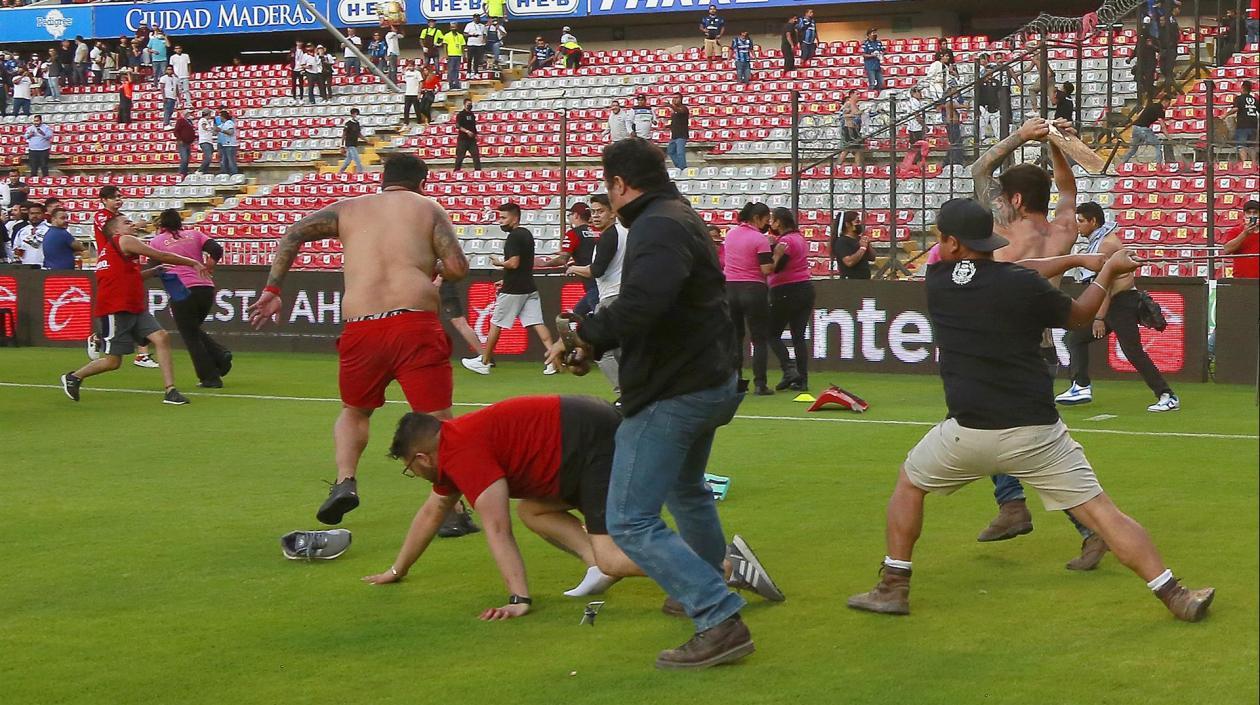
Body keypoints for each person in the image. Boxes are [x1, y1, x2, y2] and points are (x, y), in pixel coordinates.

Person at [846, 198, 1216, 624]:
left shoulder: (937, 278)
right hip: (1036, 434)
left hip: (966, 433)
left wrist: (1078, 258)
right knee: (1102, 513)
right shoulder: (1019, 284)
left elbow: (1010, 274)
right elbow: (1077, 316)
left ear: (949, 242)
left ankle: (893, 587)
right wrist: (1107, 271)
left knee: (909, 485)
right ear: (989, 239)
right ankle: (1176, 596)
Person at [545, 138, 754, 670]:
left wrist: (585, 336)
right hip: (706, 379)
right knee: (687, 490)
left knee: (630, 520)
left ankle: (716, 613)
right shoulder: (675, 215)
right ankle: (700, 588)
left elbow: (643, 304)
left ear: (619, 185)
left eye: (605, 187)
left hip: (675, 388)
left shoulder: (657, 224)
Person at [247, 154, 469, 525]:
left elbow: (293, 233)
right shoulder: (429, 208)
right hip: (414, 323)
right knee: (436, 419)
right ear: (422, 182)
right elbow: (458, 268)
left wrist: (273, 288)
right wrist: (431, 265)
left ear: (384, 178)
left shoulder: (348, 208)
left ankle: (345, 481)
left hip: (362, 326)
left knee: (354, 411)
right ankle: (453, 510)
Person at [970, 116, 1101, 558]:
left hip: (997, 344)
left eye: (1006, 195)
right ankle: (1013, 505)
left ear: (1015, 199)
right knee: (993, 429)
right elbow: (1069, 191)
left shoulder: (1002, 225)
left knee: (1027, 444)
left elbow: (979, 170)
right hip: (1041, 347)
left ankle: (1071, 523)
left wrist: (1022, 136)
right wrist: (1057, 144)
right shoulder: (1063, 229)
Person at [60, 215, 206, 406]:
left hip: (133, 306)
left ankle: (170, 390)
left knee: (161, 337)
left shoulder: (111, 250)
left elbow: (129, 277)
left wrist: (153, 272)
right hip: (115, 309)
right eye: (126, 222)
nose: (132, 224)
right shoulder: (125, 240)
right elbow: (159, 255)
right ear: (115, 231)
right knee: (113, 362)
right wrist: (192, 262)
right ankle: (74, 377)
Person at [1057, 201, 1179, 419]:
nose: (1079, 226)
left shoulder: (1106, 245)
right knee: (1075, 339)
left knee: (1133, 352)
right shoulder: (1101, 241)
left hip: (1121, 303)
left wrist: (1099, 317)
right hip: (1115, 302)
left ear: (1093, 221)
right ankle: (1081, 386)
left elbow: (1107, 285)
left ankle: (1167, 395)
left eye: (1081, 221)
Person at [461, 202, 556, 375]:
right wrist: (505, 279)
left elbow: (514, 263)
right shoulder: (527, 234)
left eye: (504, 218)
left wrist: (499, 263)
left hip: (514, 290)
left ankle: (485, 361)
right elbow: (523, 264)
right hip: (529, 286)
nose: (500, 221)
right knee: (537, 323)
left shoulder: (514, 237)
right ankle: (554, 360)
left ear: (515, 217)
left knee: (495, 323)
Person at [149, 209, 232, 388]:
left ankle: (210, 376)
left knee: (190, 336)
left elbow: (153, 267)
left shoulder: (156, 241)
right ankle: (220, 355)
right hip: (205, 287)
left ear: (161, 224)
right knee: (192, 329)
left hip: (180, 288)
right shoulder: (194, 234)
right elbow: (216, 248)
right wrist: (211, 262)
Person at [564, 193, 626, 392]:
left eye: (601, 211)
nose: (596, 216)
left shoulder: (609, 236)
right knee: (621, 349)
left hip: (611, 297)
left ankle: (624, 392)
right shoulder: (625, 232)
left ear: (613, 212)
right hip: (625, 295)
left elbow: (596, 270)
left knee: (603, 351)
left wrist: (574, 268)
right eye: (593, 212)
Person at [724, 201, 774, 395]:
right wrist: (775, 252)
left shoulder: (730, 234)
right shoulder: (759, 239)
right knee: (759, 338)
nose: (767, 224)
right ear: (757, 219)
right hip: (753, 288)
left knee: (735, 338)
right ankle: (760, 383)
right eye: (766, 220)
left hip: (730, 288)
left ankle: (735, 381)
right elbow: (766, 269)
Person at [766, 207, 814, 392]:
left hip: (786, 290)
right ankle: (802, 379)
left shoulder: (785, 241)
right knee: (798, 337)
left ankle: (789, 370)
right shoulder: (800, 238)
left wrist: (771, 247)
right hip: (805, 288)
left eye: (773, 220)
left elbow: (776, 267)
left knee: (772, 333)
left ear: (779, 222)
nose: (771, 224)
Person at [540, 203, 598, 314]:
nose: (569, 218)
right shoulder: (599, 230)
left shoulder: (572, 234)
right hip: (606, 280)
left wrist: (544, 264)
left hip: (592, 282)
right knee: (577, 314)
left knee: (600, 318)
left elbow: (562, 260)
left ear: (576, 215)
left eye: (569, 215)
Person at [1121, 94, 1171, 164]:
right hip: (1143, 129)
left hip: (1135, 128)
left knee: (1133, 149)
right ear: (1165, 101)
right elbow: (1163, 126)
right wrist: (1169, 138)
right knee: (1158, 144)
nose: (1168, 106)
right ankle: (1158, 165)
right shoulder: (1160, 110)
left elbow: (1139, 115)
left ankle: (1122, 163)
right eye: (1168, 103)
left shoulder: (1150, 105)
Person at [1220, 199, 1260, 279]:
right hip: (1241, 279)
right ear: (1244, 215)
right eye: (1249, 213)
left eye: (1255, 212)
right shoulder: (1235, 231)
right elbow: (1227, 250)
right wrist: (1244, 234)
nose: (1252, 216)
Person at [1222, 80, 1257, 163]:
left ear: (1242, 88)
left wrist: (1224, 115)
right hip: (1254, 125)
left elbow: (1235, 109)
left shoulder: (1239, 98)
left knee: (1241, 145)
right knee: (1252, 146)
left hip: (1243, 125)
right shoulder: (1255, 100)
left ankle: (1246, 164)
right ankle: (1254, 164)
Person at [831, 210, 874, 279]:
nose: (859, 224)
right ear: (847, 224)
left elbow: (872, 258)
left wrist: (867, 245)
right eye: (857, 222)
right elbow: (849, 262)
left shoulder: (859, 239)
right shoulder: (841, 241)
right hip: (850, 282)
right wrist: (862, 248)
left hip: (864, 281)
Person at [12, 202, 47, 267]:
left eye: (38, 213)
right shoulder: (22, 231)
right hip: (26, 267)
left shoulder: (49, 229)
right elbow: (16, 249)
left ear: (44, 214)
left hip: (44, 267)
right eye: (32, 213)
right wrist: (18, 251)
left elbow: (35, 244)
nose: (34, 216)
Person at [453, 99, 481, 171]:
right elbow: (458, 126)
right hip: (463, 140)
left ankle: (478, 172)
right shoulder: (461, 115)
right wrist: (467, 131)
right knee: (460, 157)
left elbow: (473, 126)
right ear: (464, 105)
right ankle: (456, 171)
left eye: (471, 104)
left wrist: (476, 135)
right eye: (468, 104)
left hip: (472, 140)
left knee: (476, 156)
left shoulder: (472, 115)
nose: (470, 106)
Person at [667, 95, 690, 170]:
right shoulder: (674, 112)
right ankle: (679, 167)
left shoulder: (684, 108)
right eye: (673, 97)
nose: (674, 99)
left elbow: (680, 111)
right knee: (671, 151)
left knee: (680, 153)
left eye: (677, 98)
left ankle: (683, 168)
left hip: (682, 135)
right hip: (674, 135)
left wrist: (671, 105)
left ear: (681, 99)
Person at [339, 108, 364, 174]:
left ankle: (340, 171)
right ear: (352, 115)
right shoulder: (348, 124)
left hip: (354, 143)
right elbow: (344, 134)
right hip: (349, 144)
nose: (357, 115)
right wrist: (342, 145)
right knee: (357, 158)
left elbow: (359, 134)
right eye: (356, 114)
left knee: (348, 160)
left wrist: (366, 140)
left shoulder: (357, 124)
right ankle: (360, 172)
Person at [172, 109, 196, 177]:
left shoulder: (189, 121)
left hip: (188, 142)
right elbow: (176, 131)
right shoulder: (180, 120)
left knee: (187, 159)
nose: (190, 115)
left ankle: (184, 172)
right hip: (182, 142)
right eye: (189, 113)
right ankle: (181, 173)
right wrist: (179, 139)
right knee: (184, 158)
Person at [443, 23, 466, 88]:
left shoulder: (460, 36)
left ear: (457, 28)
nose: (453, 28)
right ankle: (450, 83)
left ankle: (456, 83)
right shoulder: (447, 35)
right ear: (450, 28)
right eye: (452, 27)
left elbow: (462, 46)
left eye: (454, 27)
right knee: (451, 70)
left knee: (456, 70)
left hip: (458, 55)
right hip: (451, 55)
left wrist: (464, 55)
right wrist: (446, 55)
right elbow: (445, 46)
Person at [216, 109, 239, 175]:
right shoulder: (222, 124)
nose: (219, 118)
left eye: (220, 116)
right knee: (224, 161)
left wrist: (221, 130)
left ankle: (234, 174)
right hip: (224, 145)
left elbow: (231, 132)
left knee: (231, 161)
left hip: (230, 145)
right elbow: (216, 130)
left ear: (223, 116)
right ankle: (225, 174)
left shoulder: (229, 123)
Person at [196, 109, 216, 174]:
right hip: (205, 141)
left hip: (209, 141)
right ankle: (200, 170)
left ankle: (204, 171)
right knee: (208, 157)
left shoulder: (206, 121)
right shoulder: (203, 120)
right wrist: (211, 128)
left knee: (209, 158)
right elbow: (204, 127)